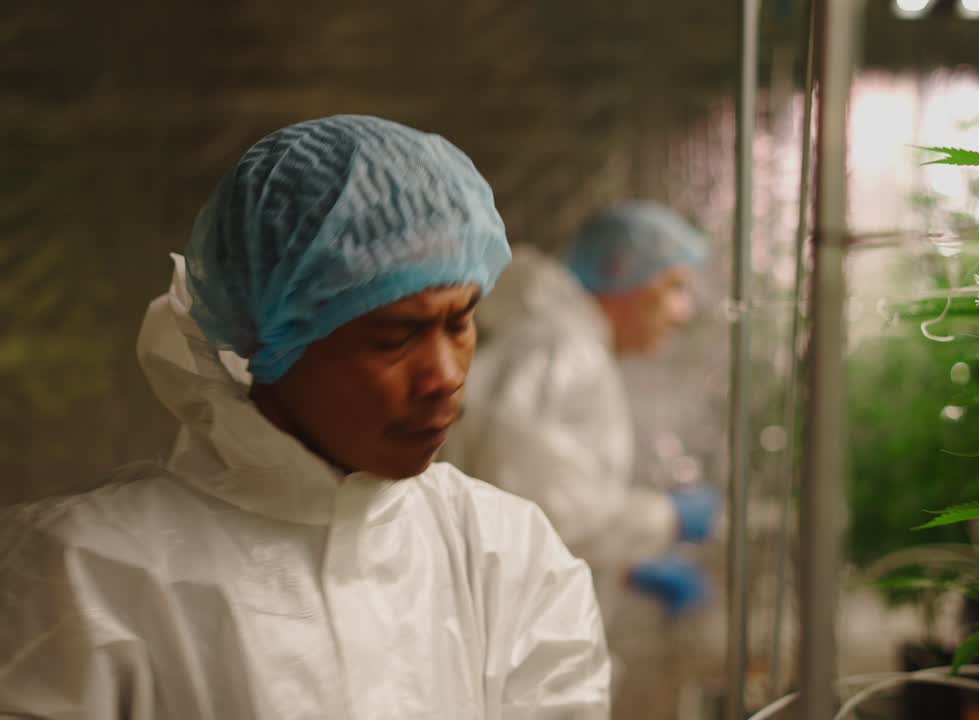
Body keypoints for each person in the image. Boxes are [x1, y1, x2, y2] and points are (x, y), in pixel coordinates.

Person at [0, 115, 611, 718]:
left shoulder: (506, 556)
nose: (446, 375)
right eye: (395, 337)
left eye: (460, 322)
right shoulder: (88, 577)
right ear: (271, 332)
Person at [440, 202, 720, 627]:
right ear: (621, 270)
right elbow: (542, 513)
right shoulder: (564, 352)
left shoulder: (557, 342)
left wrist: (623, 569)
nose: (683, 313)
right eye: (674, 286)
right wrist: (668, 517)